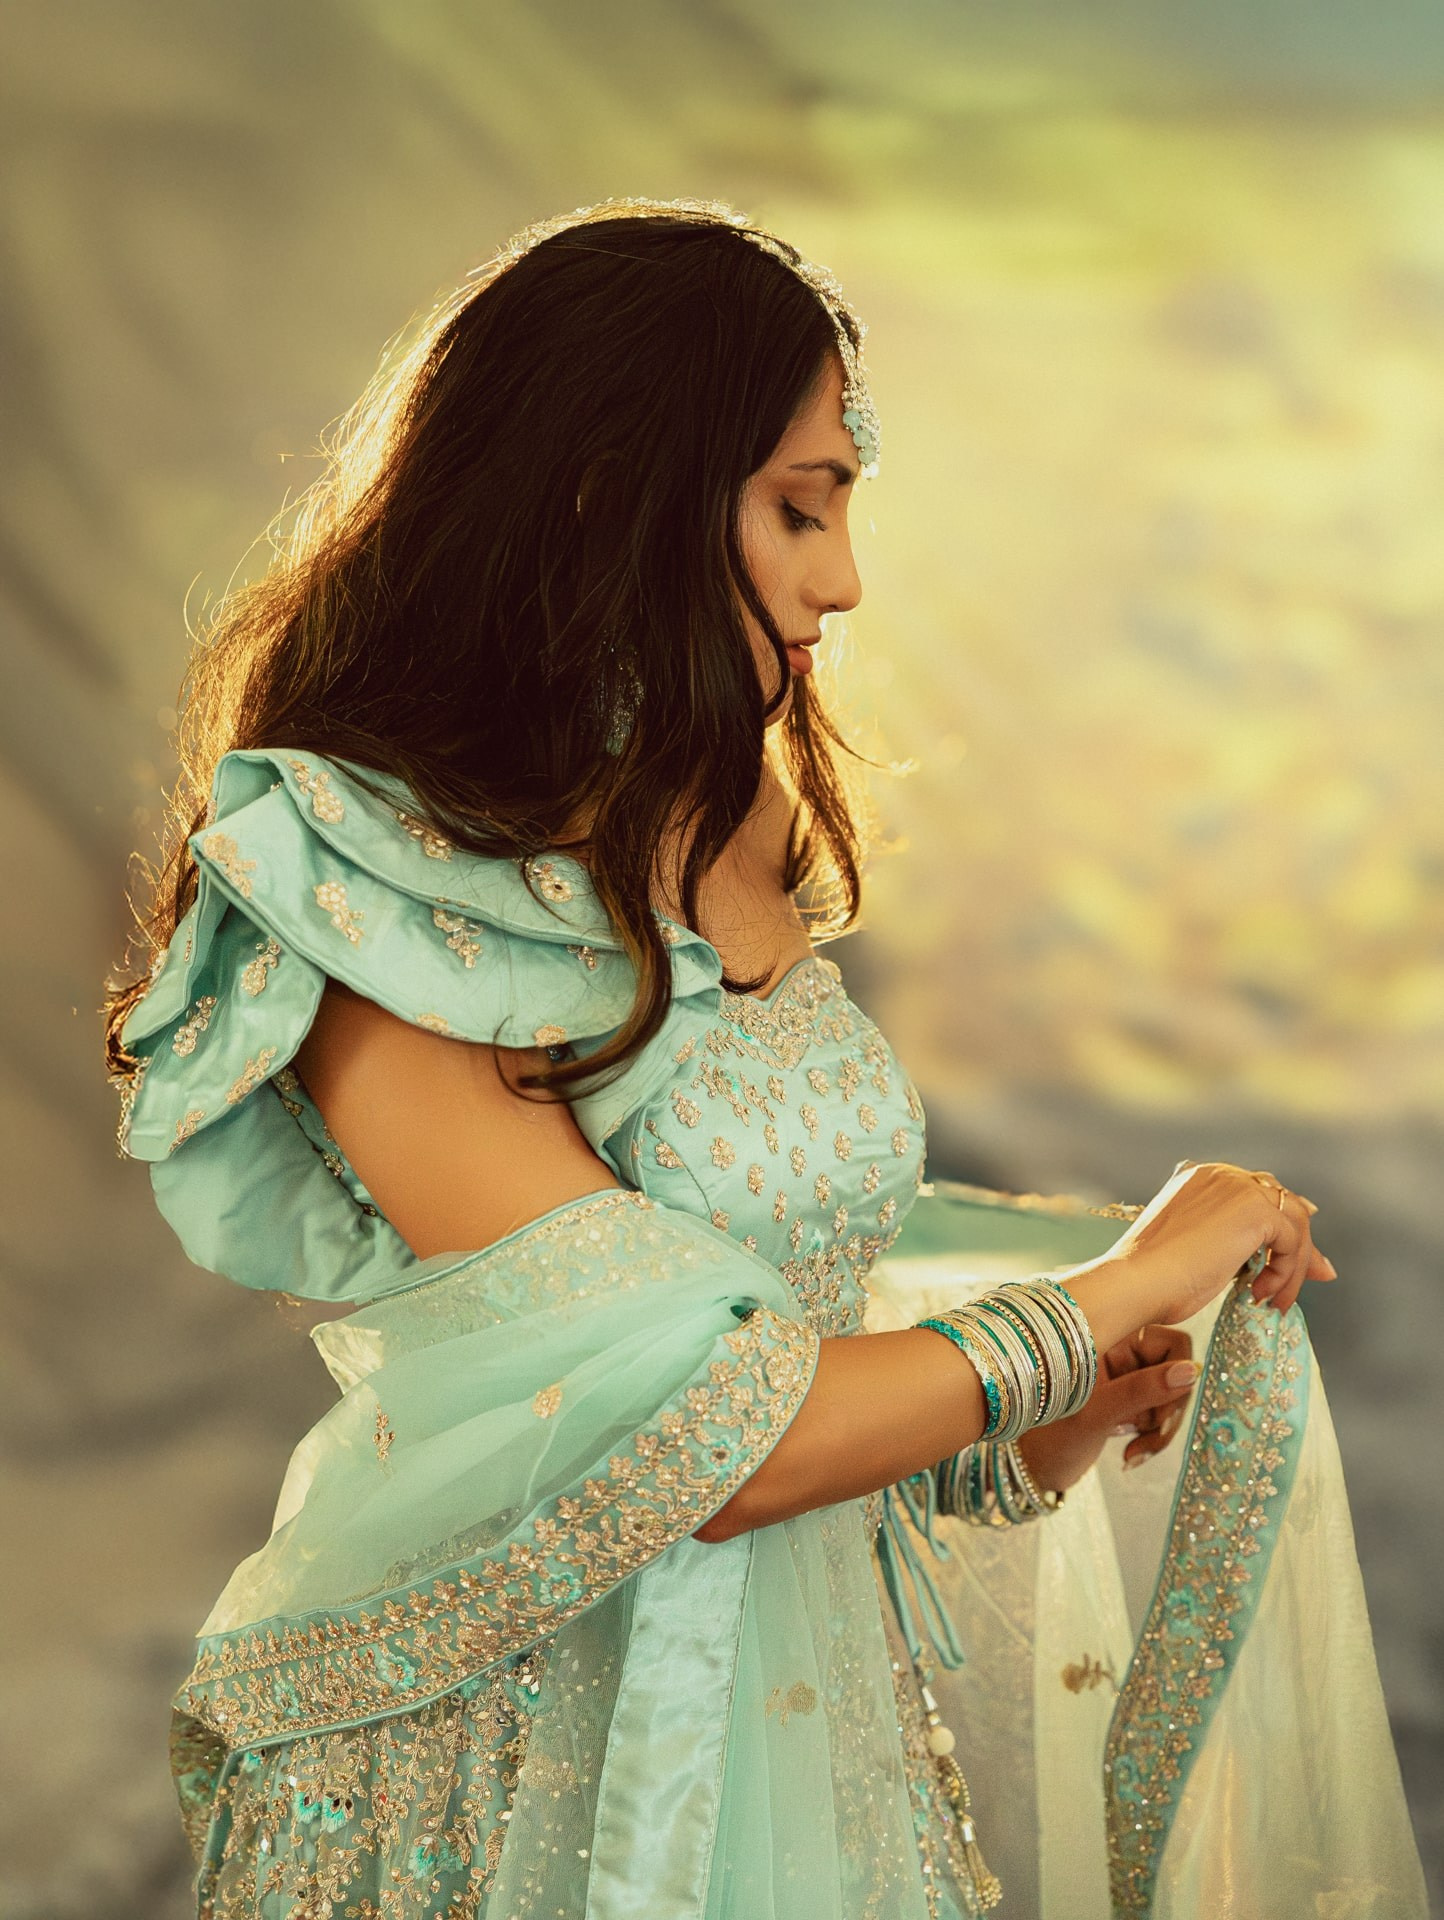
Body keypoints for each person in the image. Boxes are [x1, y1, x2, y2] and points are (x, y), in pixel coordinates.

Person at [105, 200, 1425, 1919]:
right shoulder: (360, 891)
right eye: (801, 506)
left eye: (845, 505)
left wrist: (1046, 1417)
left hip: (802, 1737)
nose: (846, 576)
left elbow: (792, 1340)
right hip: (500, 1776)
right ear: (605, 493)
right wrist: (1105, 1290)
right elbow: (693, 1433)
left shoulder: (728, 815)